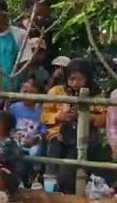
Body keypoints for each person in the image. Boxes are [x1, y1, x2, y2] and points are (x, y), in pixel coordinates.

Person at [41, 59, 107, 194]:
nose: (76, 83)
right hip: (57, 136)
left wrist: (87, 117)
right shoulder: (56, 91)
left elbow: (105, 119)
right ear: (66, 78)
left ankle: (70, 194)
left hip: (84, 138)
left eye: (80, 79)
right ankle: (49, 191)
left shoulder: (96, 94)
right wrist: (58, 116)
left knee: (69, 167)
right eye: (72, 79)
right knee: (52, 161)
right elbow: (44, 115)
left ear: (87, 78)